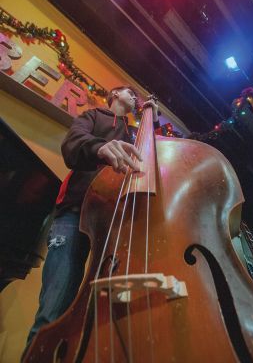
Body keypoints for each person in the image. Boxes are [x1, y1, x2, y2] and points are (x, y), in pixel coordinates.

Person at [23, 86, 159, 355]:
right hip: (75, 213)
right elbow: (72, 145)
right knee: (53, 310)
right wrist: (100, 147)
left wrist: (151, 120)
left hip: (115, 224)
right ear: (115, 94)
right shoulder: (93, 116)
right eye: (129, 93)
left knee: (104, 317)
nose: (134, 97)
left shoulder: (134, 133)